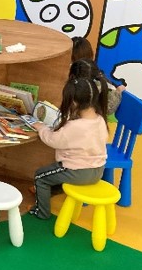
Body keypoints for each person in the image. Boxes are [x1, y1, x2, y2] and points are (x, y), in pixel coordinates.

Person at [28, 77, 108, 220]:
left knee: (40, 176)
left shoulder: (75, 126)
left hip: (77, 171)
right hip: (98, 170)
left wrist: (41, 128)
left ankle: (41, 212)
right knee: (53, 176)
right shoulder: (100, 119)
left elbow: (53, 140)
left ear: (74, 102)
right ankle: (47, 193)